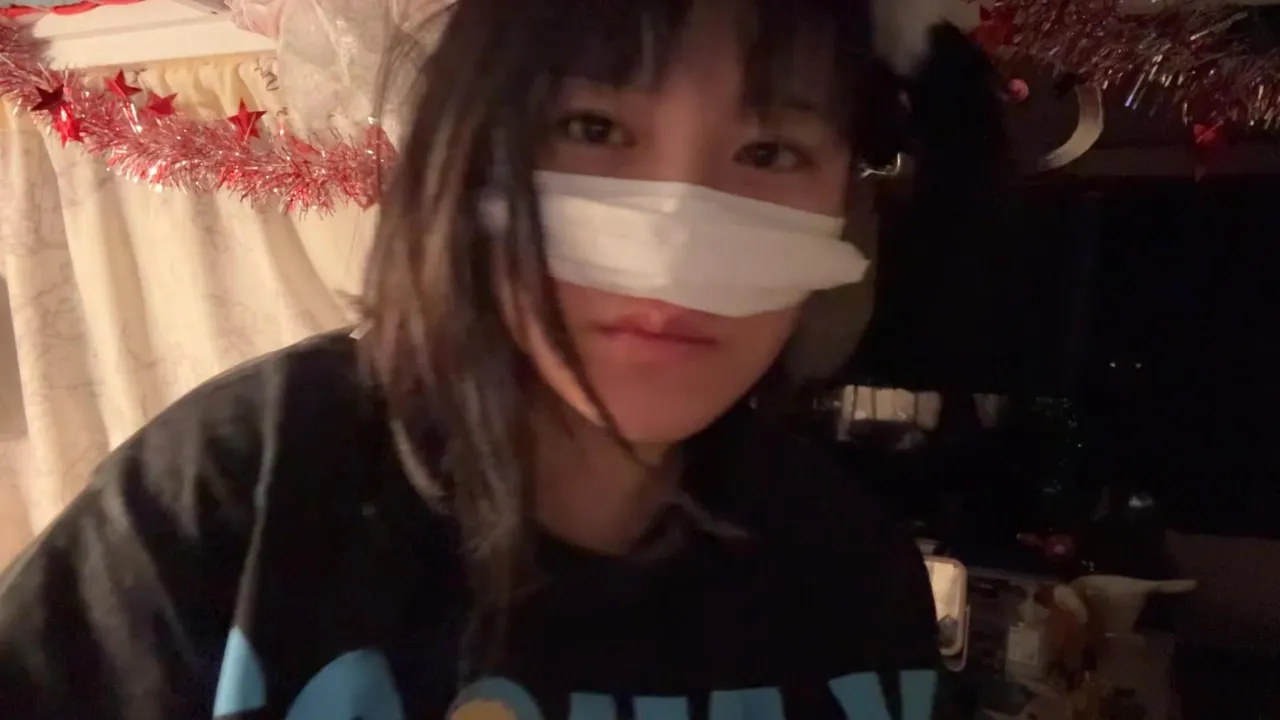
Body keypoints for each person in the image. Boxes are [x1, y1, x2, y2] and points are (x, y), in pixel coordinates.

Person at [0, 0, 1007, 717]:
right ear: (466, 157)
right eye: (591, 127)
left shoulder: (849, 572)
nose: (675, 241)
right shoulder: (235, 496)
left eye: (770, 152)